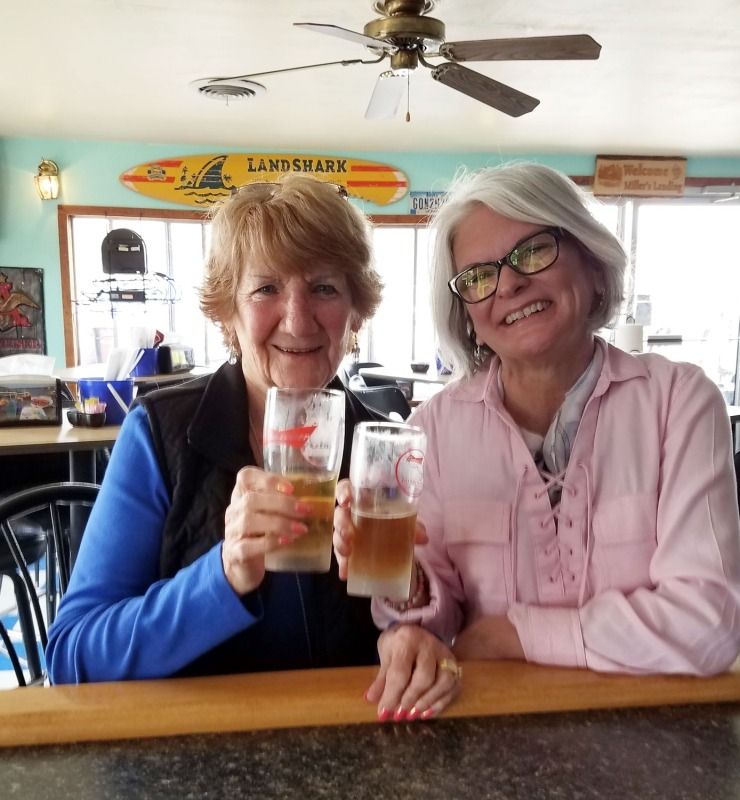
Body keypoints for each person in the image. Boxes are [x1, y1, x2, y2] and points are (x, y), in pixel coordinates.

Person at [334, 162, 740, 717]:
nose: (508, 283)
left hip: (654, 731)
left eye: (532, 252)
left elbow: (710, 622)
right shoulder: (431, 429)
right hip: (490, 727)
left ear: (593, 265)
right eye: (477, 275)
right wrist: (403, 588)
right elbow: (433, 617)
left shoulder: (680, 401)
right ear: (469, 316)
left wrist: (512, 636)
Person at [46, 175, 387, 683]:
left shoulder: (383, 449)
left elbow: (434, 637)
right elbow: (74, 656)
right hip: (194, 750)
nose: (297, 320)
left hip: (354, 746)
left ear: (355, 310)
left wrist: (415, 598)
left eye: (324, 288)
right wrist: (222, 576)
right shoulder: (160, 435)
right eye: (266, 288)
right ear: (228, 310)